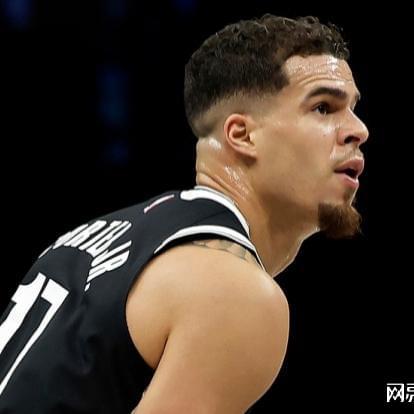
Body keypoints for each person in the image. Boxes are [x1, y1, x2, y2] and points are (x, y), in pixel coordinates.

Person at [0, 14, 368, 413]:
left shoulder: (95, 237)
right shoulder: (234, 292)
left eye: (353, 108)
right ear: (242, 135)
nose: (359, 130)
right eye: (323, 108)